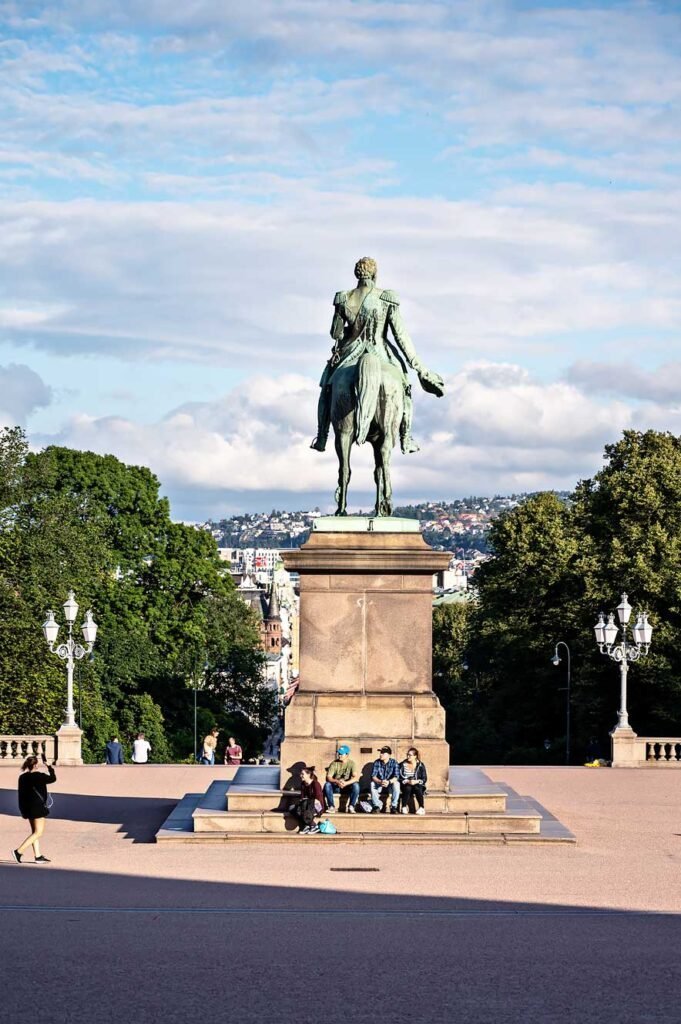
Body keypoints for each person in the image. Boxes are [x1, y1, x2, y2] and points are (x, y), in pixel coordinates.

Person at [310, 256, 444, 454]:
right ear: (374, 274)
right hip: (380, 350)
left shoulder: (344, 298)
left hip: (349, 353)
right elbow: (401, 335)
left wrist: (341, 314)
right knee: (404, 387)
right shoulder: (386, 298)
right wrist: (419, 367)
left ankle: (322, 437)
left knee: (326, 389)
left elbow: (335, 334)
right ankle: (406, 438)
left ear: (357, 274)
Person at [12, 754, 57, 864]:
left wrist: (22, 809)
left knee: (34, 832)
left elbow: (21, 794)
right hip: (38, 808)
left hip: (27, 808)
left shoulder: (22, 777)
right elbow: (53, 778)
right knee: (38, 832)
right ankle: (18, 851)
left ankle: (38, 856)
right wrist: (49, 766)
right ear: (36, 765)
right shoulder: (40, 776)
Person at [324, 744, 360, 813]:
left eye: (341, 754)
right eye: (339, 754)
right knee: (327, 784)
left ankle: (351, 806)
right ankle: (331, 806)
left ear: (347, 755)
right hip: (337, 786)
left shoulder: (351, 763)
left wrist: (346, 783)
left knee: (356, 785)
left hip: (347, 786)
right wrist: (337, 781)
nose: (339, 755)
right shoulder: (334, 763)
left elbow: (355, 777)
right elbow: (329, 777)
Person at [290, 765, 324, 835]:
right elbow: (301, 798)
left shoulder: (315, 784)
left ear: (308, 774)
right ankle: (307, 826)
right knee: (292, 808)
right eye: (301, 774)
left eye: (302, 774)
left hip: (317, 807)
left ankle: (314, 826)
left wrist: (307, 801)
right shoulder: (303, 784)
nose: (300, 775)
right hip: (306, 805)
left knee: (304, 807)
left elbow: (318, 800)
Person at [370, 745, 401, 814]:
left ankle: (394, 806)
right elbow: (373, 776)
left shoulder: (394, 762)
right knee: (372, 783)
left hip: (390, 784)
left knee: (397, 784)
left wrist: (389, 782)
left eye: (383, 753)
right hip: (380, 784)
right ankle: (376, 806)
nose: (381, 754)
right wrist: (379, 781)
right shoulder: (377, 762)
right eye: (380, 752)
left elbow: (396, 776)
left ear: (389, 755)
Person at [399, 747, 427, 815]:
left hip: (417, 784)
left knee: (417, 787)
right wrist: (407, 781)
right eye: (407, 754)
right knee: (408, 787)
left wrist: (416, 781)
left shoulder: (420, 765)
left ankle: (421, 807)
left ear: (415, 756)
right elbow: (399, 777)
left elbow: (424, 778)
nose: (408, 756)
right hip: (406, 785)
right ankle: (404, 807)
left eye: (410, 755)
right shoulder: (402, 764)